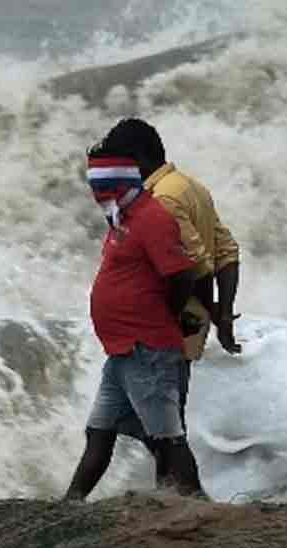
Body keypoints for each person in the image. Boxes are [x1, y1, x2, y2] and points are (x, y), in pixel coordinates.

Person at [96, 119, 241, 480]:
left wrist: (181, 313)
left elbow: (196, 267)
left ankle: (183, 498)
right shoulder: (192, 186)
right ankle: (170, 494)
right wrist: (221, 313)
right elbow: (227, 252)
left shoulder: (162, 199)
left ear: (138, 158)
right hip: (184, 322)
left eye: (120, 163)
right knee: (161, 421)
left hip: (168, 324)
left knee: (166, 430)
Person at [65, 147, 207, 500]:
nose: (96, 195)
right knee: (99, 431)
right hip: (122, 352)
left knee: (169, 441)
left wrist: (166, 314)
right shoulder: (122, 218)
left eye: (100, 186)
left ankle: (198, 507)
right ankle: (69, 505)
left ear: (115, 184)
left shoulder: (151, 218)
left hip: (147, 349)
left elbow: (182, 274)